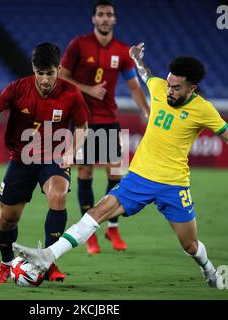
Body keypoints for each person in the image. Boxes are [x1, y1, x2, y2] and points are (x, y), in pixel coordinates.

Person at [12, 42, 228, 288]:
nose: (169, 91)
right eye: (169, 83)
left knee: (190, 245)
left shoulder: (203, 110)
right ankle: (48, 256)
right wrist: (137, 59)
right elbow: (147, 75)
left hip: (173, 185)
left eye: (176, 87)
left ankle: (208, 269)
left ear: (192, 88)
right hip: (138, 178)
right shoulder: (159, 86)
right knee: (95, 214)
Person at [0, 42, 89, 284]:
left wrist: (71, 151)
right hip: (21, 160)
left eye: (50, 73)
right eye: (40, 73)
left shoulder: (71, 93)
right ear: (33, 69)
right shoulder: (18, 89)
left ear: (59, 69)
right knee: (8, 219)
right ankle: (6, 264)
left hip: (54, 158)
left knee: (58, 195)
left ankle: (48, 261)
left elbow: (82, 127)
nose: (45, 79)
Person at [59, 0, 150, 254]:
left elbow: (133, 85)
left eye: (109, 14)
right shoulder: (79, 44)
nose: (105, 18)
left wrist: (146, 111)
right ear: (94, 19)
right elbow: (61, 75)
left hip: (109, 117)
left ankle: (111, 225)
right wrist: (88, 89)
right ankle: (89, 234)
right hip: (82, 120)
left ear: (115, 20)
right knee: (85, 174)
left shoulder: (121, 51)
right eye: (101, 14)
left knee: (117, 175)